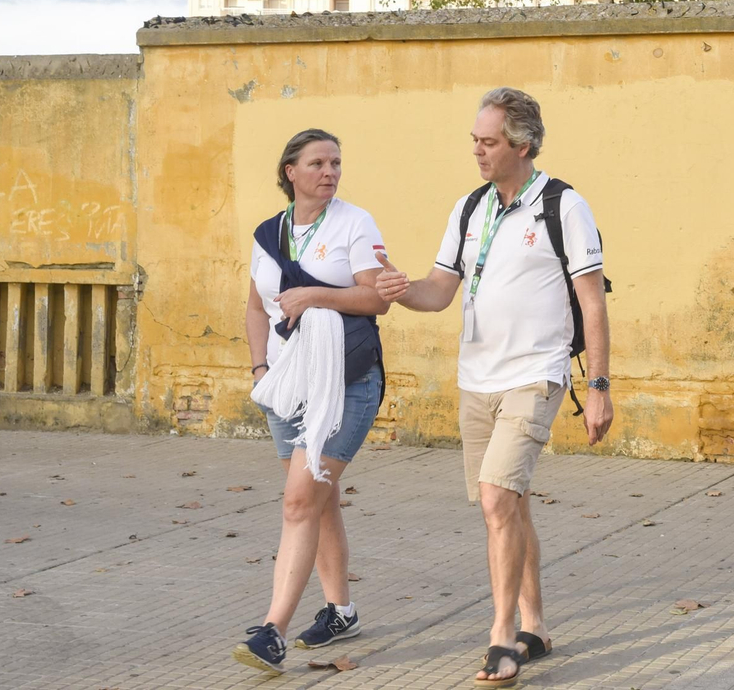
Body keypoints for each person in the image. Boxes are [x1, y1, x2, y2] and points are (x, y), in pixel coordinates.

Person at [375, 88, 614, 687]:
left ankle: (502, 637)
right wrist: (398, 289)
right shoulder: (469, 208)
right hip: (475, 377)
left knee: (495, 499)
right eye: (475, 141)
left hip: (537, 372)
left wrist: (603, 386)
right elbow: (439, 289)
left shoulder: (564, 205)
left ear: (522, 144)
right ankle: (534, 623)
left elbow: (592, 302)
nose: (477, 151)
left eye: (488, 142)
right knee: (506, 502)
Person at [234, 129, 392, 673]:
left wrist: (315, 294)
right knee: (317, 497)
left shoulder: (355, 223)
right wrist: (260, 368)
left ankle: (272, 631)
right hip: (287, 384)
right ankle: (340, 610)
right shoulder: (266, 234)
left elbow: (378, 298)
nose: (330, 172)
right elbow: (257, 307)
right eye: (318, 163)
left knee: (300, 500)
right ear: (290, 172)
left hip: (347, 383)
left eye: (336, 163)